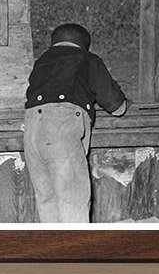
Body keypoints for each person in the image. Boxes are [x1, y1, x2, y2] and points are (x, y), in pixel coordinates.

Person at [23, 23, 129, 223]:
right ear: (84, 45)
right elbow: (116, 106)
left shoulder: (41, 62)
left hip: (32, 130)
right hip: (60, 126)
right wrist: (124, 103)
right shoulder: (87, 59)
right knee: (73, 201)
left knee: (47, 201)